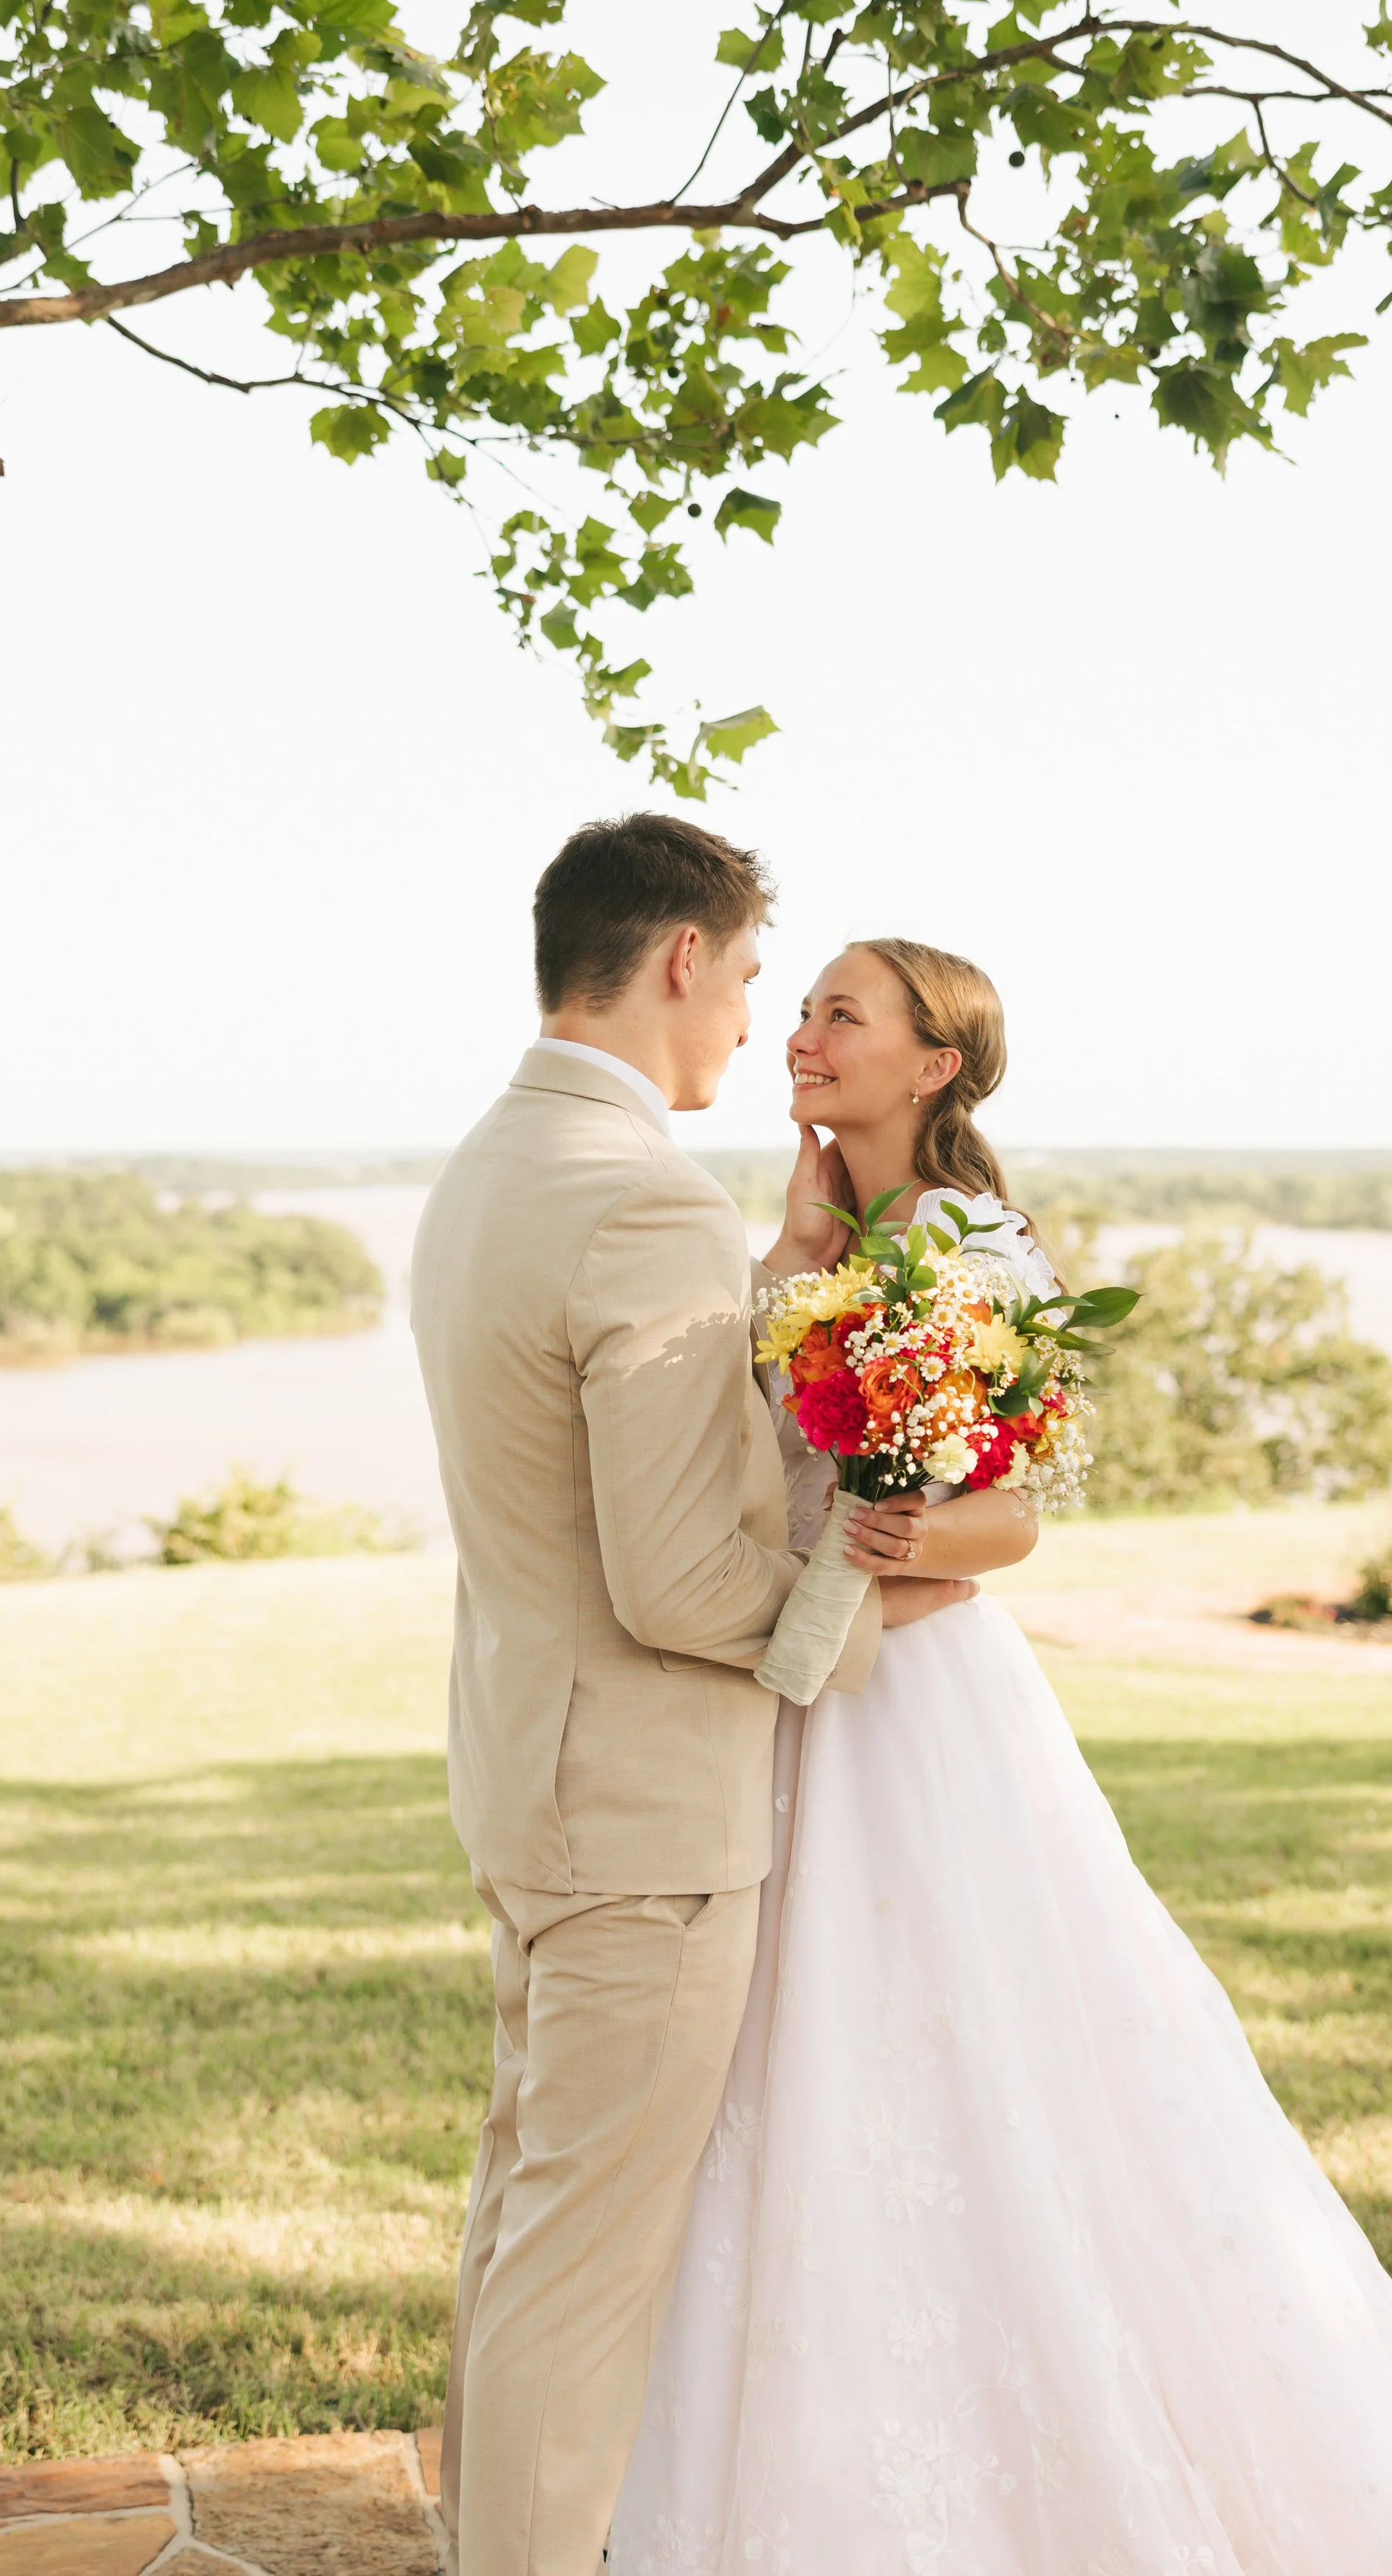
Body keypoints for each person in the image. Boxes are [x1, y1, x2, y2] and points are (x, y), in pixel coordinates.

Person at [611, 936, 1392, 2576]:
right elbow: (761, 1466)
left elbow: (1011, 1520)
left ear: (932, 1063)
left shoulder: (966, 1247)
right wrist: (785, 1259)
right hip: (784, 1697)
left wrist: (890, 1550)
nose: (800, 1033)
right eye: (799, 1008)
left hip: (907, 1717)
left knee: (971, 2060)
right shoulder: (820, 1236)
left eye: (837, 1012)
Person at [411, 826, 971, 2576]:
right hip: (643, 1817)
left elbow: (606, 1464)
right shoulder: (643, 1191)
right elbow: (672, 1579)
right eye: (745, 981)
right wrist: (862, 1619)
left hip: (529, 1779)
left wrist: (773, 1292)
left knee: (524, 2228)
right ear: (675, 960)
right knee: (575, 2285)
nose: (750, 1023)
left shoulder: (493, 1165)